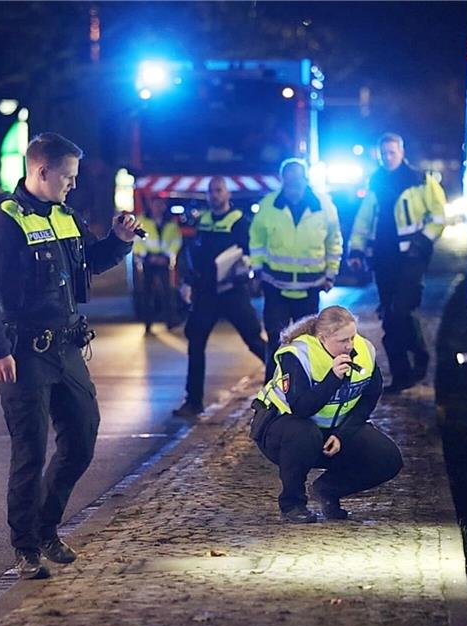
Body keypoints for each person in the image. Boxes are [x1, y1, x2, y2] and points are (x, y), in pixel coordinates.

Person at [0, 132, 141, 580]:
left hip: (66, 349)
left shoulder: (65, 217)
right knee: (30, 451)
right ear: (41, 171)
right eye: (67, 176)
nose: (72, 184)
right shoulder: (2, 223)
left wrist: (119, 240)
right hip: (24, 355)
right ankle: (25, 548)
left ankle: (46, 527)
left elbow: (90, 262)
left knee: (82, 438)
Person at [251, 306, 403, 523]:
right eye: (343, 341)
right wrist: (333, 378)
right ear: (322, 338)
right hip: (280, 428)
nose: (349, 346)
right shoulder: (297, 354)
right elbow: (301, 408)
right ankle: (292, 504)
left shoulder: (363, 349)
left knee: (387, 458)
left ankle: (328, 490)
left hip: (331, 430)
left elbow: (370, 397)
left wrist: (342, 434)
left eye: (352, 337)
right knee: (304, 433)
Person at [348, 133, 446, 393]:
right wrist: (356, 249)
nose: (388, 157)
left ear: (401, 152)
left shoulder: (421, 180)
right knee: (390, 318)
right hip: (383, 257)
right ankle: (401, 375)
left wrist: (422, 242)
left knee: (400, 310)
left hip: (411, 257)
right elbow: (364, 219)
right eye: (384, 153)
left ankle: (420, 354)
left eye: (392, 152)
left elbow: (438, 217)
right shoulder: (375, 182)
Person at [173, 177, 266, 418]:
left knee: (254, 340)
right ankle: (193, 401)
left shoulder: (239, 222)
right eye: (211, 191)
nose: (214, 195)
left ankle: (285, 382)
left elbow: (249, 254)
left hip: (233, 291)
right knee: (196, 343)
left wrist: (243, 273)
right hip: (206, 294)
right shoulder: (202, 221)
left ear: (227, 194)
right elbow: (193, 256)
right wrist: (188, 282)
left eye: (218, 191)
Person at [250, 158, 343, 381]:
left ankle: (306, 389)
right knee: (276, 341)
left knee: (308, 344)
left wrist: (331, 274)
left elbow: (334, 241)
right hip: (276, 286)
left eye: (297, 178)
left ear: (304, 179)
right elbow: (256, 240)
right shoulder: (268, 205)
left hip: (310, 287)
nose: (293, 183)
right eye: (289, 178)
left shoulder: (323, 205)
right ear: (282, 180)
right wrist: (258, 271)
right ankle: (272, 394)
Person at [134, 195, 181, 332]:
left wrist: (167, 256)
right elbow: (137, 241)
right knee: (147, 293)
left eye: (161, 205)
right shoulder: (142, 221)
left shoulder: (171, 223)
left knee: (167, 292)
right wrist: (147, 256)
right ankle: (148, 323)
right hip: (148, 261)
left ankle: (170, 320)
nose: (158, 208)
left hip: (164, 261)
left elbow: (176, 241)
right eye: (156, 204)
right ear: (151, 205)